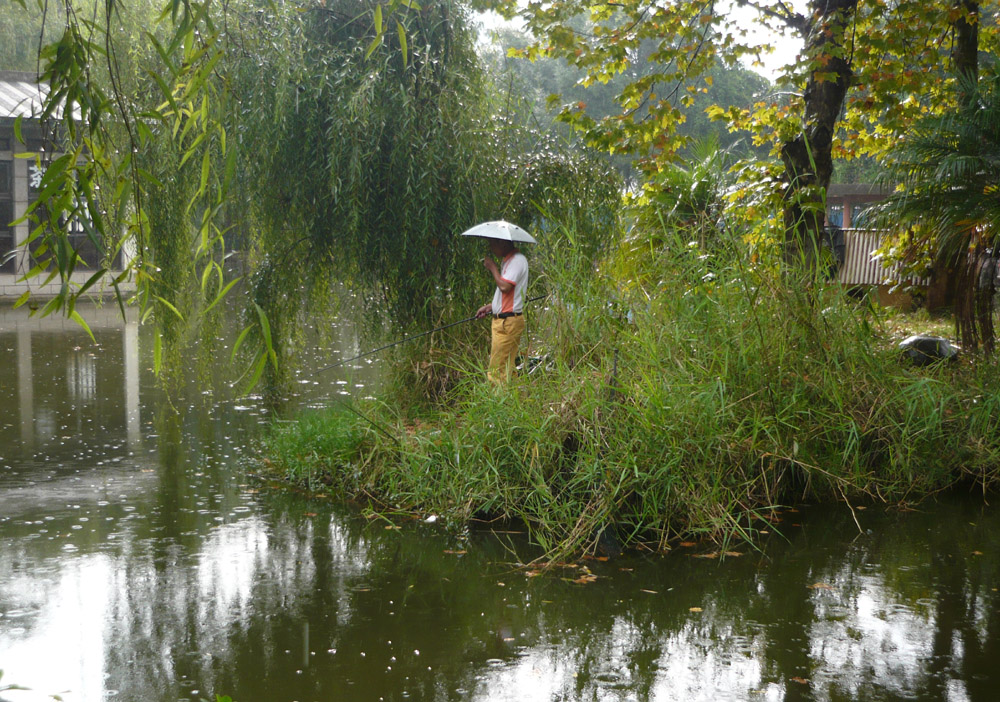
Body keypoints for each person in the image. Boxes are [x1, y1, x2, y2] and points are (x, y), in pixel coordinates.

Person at [475, 237, 529, 383]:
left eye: (492, 244)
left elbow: (505, 287)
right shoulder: (509, 261)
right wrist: (490, 307)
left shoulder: (517, 261)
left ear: (503, 243)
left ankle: (497, 403)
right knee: (507, 369)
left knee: (496, 372)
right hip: (505, 320)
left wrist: (493, 268)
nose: (491, 248)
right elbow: (508, 297)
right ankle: (511, 402)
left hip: (507, 322)